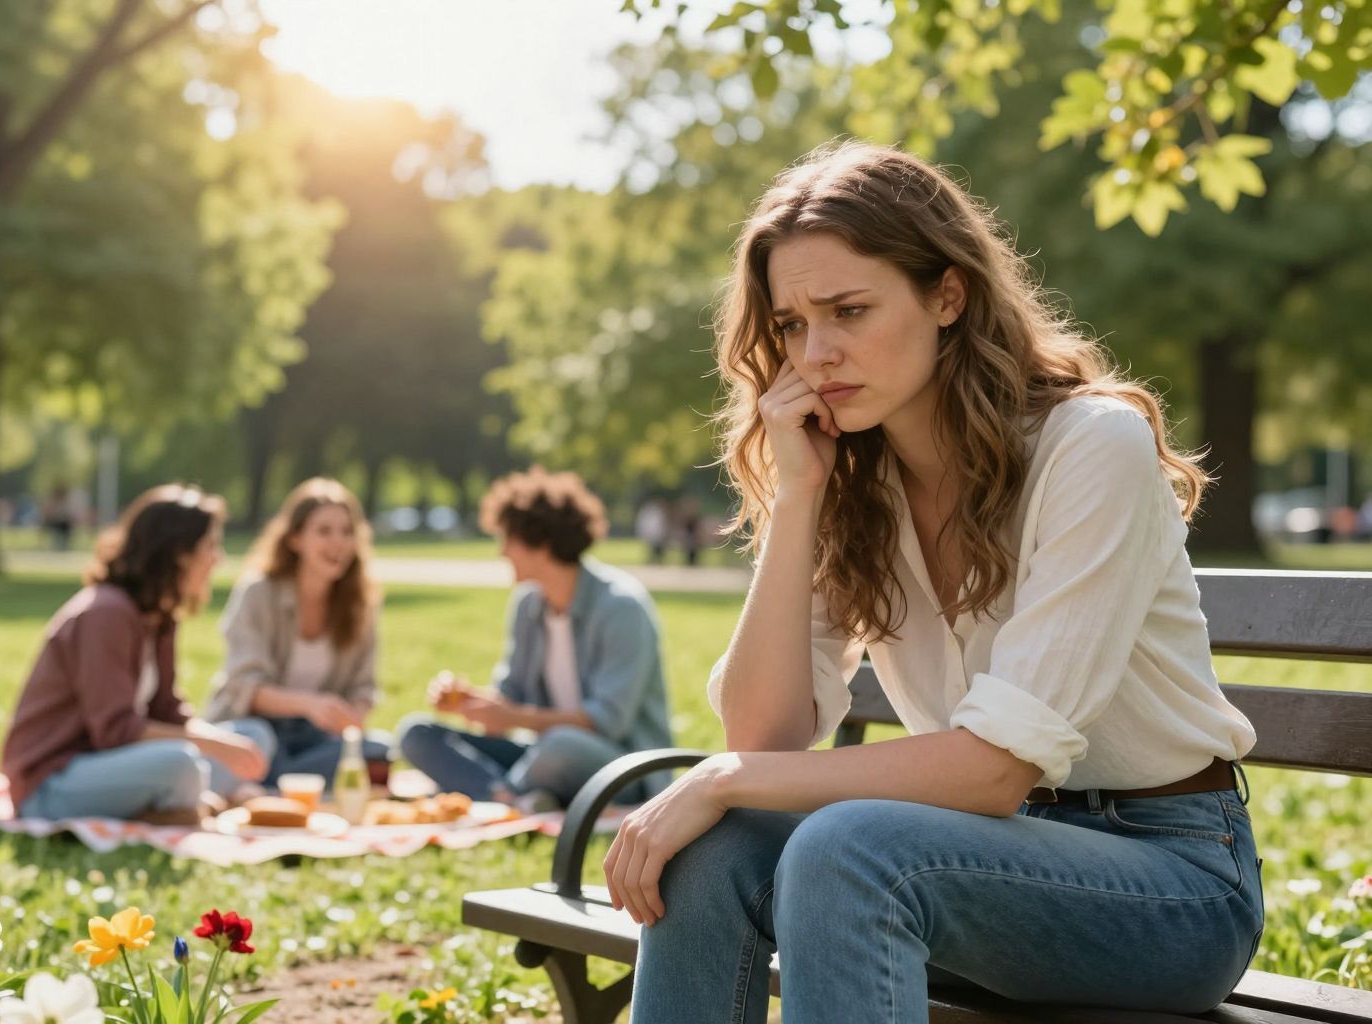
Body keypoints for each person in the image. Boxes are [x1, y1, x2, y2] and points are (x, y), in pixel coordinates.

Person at [605, 142, 1263, 1022]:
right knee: (713, 853)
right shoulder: (851, 483)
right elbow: (767, 732)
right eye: (792, 325)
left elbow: (994, 771)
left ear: (946, 295)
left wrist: (721, 777)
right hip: (961, 859)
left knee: (847, 846)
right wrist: (798, 498)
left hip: (1169, 882)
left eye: (849, 310)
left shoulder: (1089, 446)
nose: (818, 353)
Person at [397, 467, 674, 811]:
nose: (502, 553)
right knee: (416, 733)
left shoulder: (621, 606)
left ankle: (496, 792)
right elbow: (512, 694)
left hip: (621, 764)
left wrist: (514, 718)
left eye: (508, 540)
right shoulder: (529, 604)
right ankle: (513, 796)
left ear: (541, 545)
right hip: (542, 754)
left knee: (558, 746)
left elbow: (607, 722)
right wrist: (472, 701)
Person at [2, 485, 272, 824]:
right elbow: (115, 730)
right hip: (52, 783)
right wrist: (213, 745)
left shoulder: (159, 617)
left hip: (117, 764)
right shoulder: (106, 613)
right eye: (209, 547)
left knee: (253, 736)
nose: (217, 558)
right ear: (177, 554)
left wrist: (222, 741)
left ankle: (177, 804)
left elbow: (166, 710)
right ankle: (181, 804)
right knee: (182, 764)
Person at [206, 478, 391, 787]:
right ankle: (284, 780)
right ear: (295, 539)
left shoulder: (360, 604)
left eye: (347, 532)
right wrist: (310, 705)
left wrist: (350, 716)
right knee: (260, 743)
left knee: (379, 749)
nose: (338, 543)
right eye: (324, 531)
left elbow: (363, 689)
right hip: (254, 727)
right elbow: (245, 686)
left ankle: (273, 784)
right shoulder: (259, 593)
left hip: (312, 737)